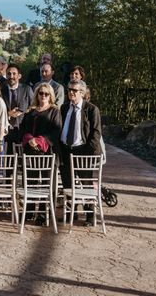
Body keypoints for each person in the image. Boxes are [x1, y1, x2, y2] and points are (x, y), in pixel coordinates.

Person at [59, 79, 103, 226]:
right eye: (69, 89)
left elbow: (96, 133)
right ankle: (71, 214)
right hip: (66, 149)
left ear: (82, 93)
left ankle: (90, 217)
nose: (71, 92)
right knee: (67, 184)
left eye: (74, 90)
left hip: (83, 151)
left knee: (86, 184)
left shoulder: (91, 109)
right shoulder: (64, 108)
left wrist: (88, 152)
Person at [19, 82, 62, 225]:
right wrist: (30, 139)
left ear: (51, 96)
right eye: (41, 93)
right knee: (29, 182)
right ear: (37, 94)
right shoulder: (30, 112)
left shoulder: (55, 111)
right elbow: (23, 129)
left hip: (46, 153)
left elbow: (57, 131)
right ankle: (29, 212)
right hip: (30, 152)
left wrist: (40, 140)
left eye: (46, 94)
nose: (43, 96)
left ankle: (43, 215)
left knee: (46, 184)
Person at [1, 64, 33, 151]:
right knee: (7, 159)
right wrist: (8, 114)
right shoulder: (1, 90)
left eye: (14, 74)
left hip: (22, 129)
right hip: (5, 130)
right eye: (9, 74)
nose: (11, 76)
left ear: (19, 76)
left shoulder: (27, 89)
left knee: (21, 159)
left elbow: (33, 106)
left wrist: (25, 112)